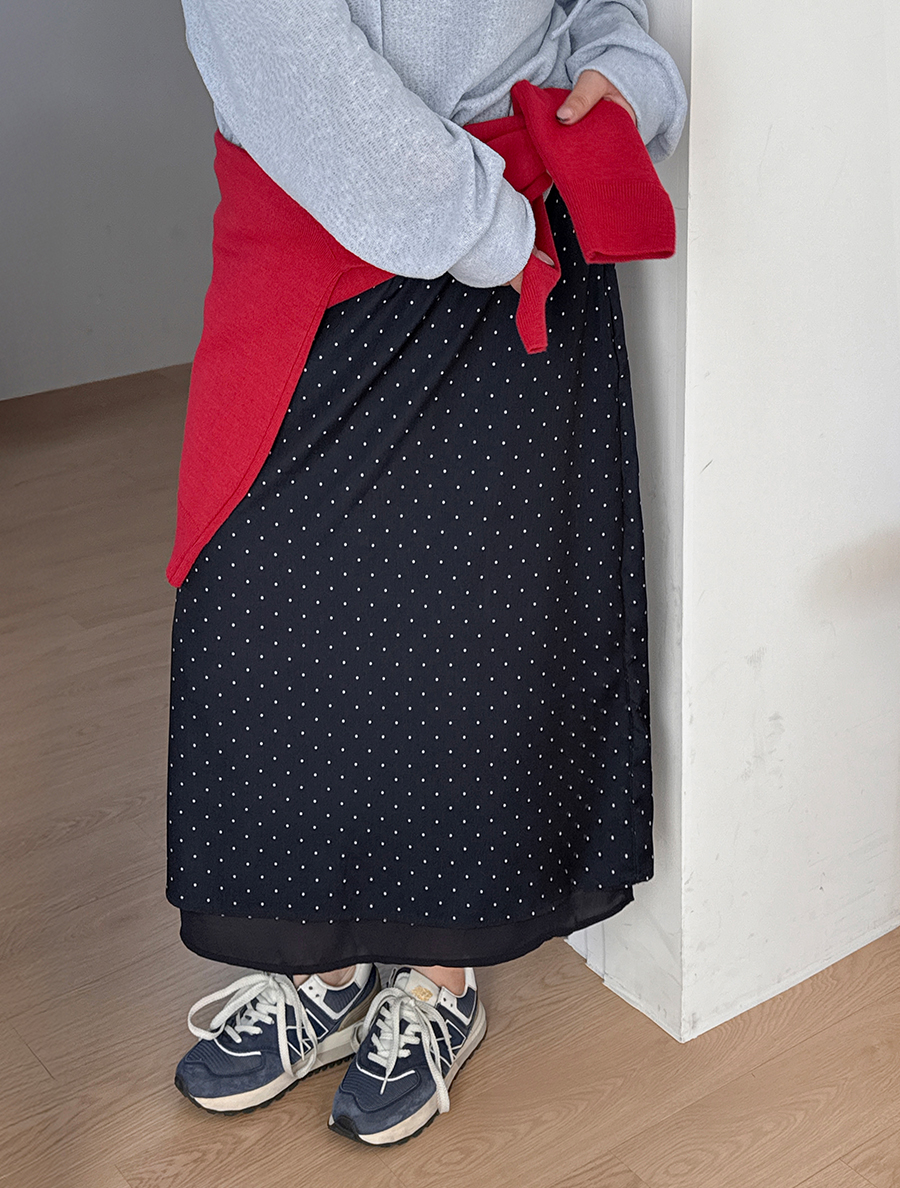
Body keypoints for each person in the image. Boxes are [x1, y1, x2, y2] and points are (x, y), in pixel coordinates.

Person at [165, 0, 686, 1147]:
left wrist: (629, 79)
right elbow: (271, 44)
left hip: (520, 248)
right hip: (339, 233)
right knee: (273, 618)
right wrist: (486, 225)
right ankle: (322, 966)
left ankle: (438, 982)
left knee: (471, 646)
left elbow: (604, 13)